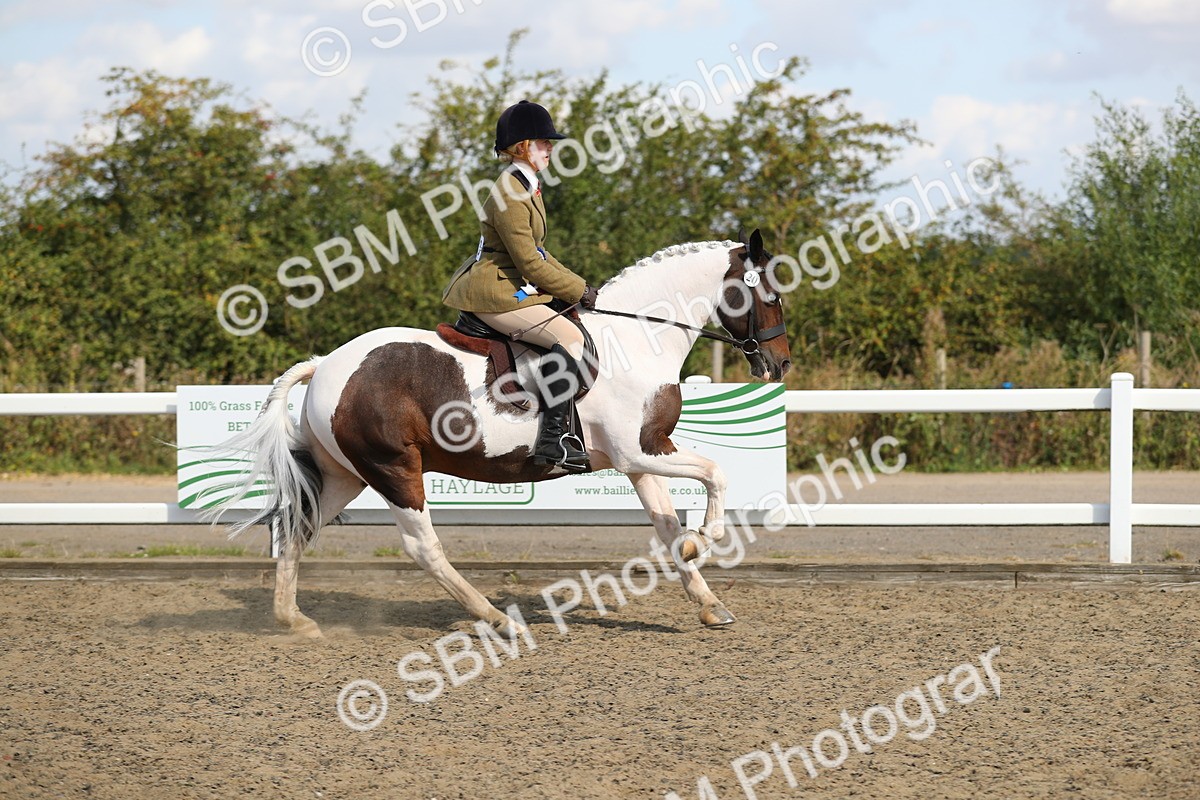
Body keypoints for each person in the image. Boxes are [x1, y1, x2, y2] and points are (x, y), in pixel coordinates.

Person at [442, 100, 599, 473]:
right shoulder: (510, 192)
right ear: (521, 146)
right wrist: (578, 290)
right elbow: (529, 263)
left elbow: (540, 253)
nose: (551, 147)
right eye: (543, 141)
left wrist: (580, 285)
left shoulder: (525, 185)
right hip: (494, 292)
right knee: (570, 340)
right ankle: (553, 440)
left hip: (513, 286)